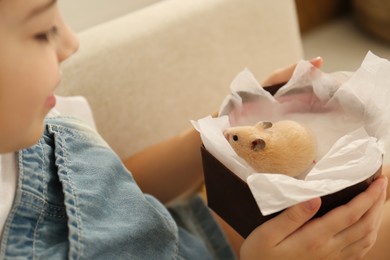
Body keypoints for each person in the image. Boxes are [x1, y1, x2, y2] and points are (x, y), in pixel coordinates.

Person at [0, 0, 388, 259]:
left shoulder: (34, 120)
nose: (70, 43)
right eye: (41, 31)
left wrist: (217, 136)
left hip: (192, 228)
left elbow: (113, 186)